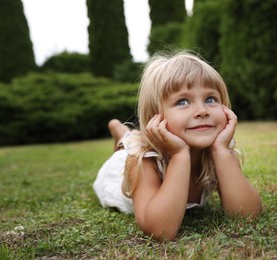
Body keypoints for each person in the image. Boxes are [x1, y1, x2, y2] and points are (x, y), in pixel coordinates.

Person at [93, 51, 262, 241]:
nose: (202, 111)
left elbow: (248, 216)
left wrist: (221, 151)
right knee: (129, 146)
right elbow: (160, 231)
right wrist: (179, 155)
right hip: (118, 173)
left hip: (167, 147)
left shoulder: (220, 150)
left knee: (131, 138)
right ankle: (121, 134)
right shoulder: (142, 161)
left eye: (210, 99)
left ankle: (124, 133)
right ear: (155, 117)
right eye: (183, 101)